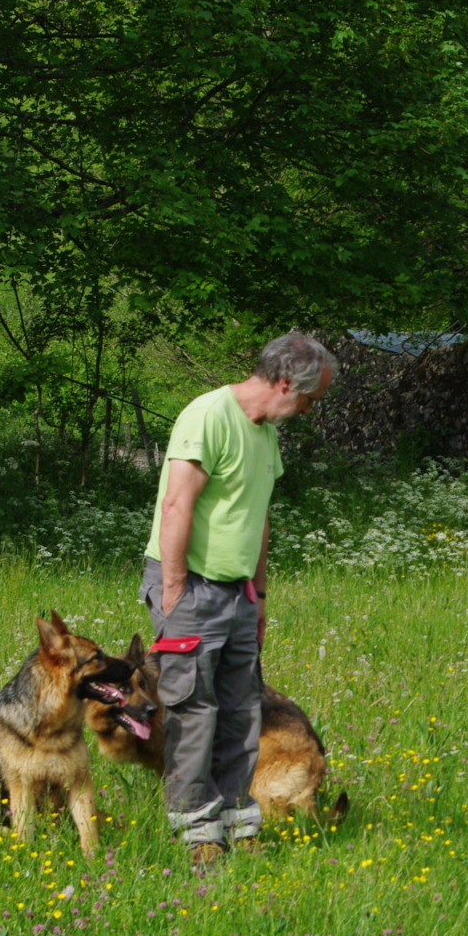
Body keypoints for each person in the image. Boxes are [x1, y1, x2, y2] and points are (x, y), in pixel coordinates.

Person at [141, 331, 338, 868]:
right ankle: (197, 834)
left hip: (239, 591)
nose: (305, 410)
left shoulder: (266, 435)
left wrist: (261, 595)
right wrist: (176, 591)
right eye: (307, 399)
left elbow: (259, 519)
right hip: (192, 584)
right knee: (193, 710)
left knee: (241, 710)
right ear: (282, 383)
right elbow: (177, 505)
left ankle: (236, 820)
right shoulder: (207, 416)